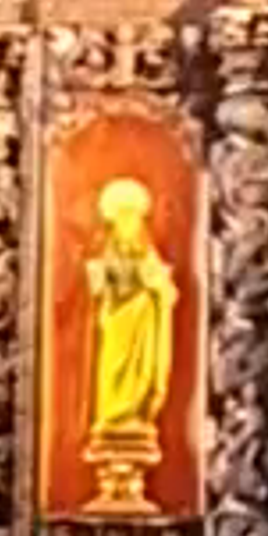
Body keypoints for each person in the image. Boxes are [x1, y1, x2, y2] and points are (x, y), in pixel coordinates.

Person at [80, 172, 179, 497]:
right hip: (116, 328)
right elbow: (97, 297)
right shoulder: (106, 257)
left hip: (142, 327)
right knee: (111, 376)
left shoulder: (148, 257)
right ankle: (113, 416)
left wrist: (155, 288)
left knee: (141, 377)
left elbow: (167, 293)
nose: (128, 225)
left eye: (133, 218)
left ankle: (134, 414)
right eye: (122, 218)